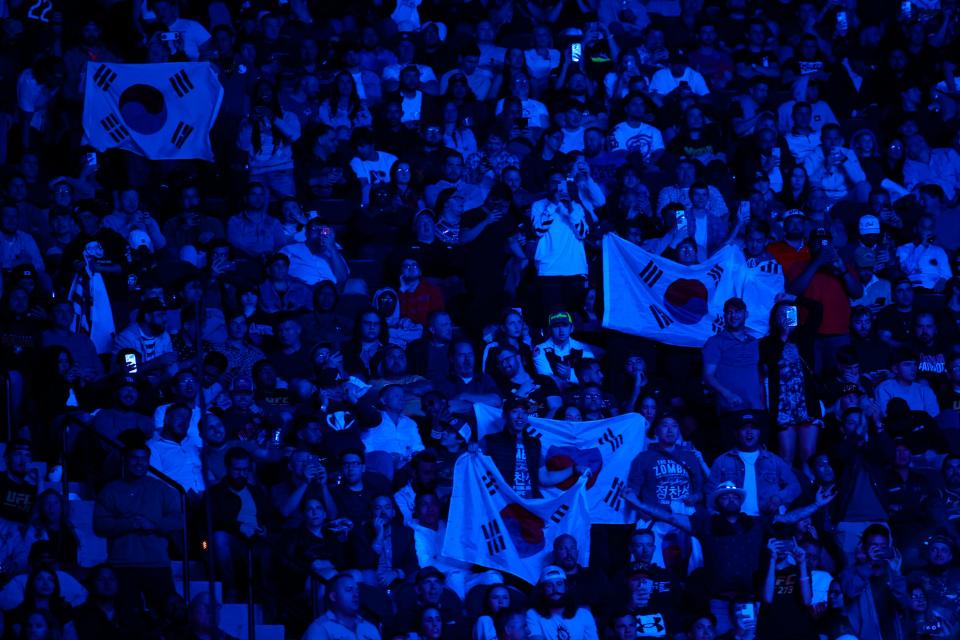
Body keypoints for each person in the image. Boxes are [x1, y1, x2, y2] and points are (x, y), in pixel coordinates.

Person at [93, 432, 181, 614]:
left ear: (149, 461)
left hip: (157, 564)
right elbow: (100, 525)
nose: (139, 463)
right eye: (134, 458)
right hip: (122, 565)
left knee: (166, 616)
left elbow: (179, 520)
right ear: (125, 460)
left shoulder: (162, 489)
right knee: (128, 619)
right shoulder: (111, 490)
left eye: (144, 459)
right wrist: (130, 523)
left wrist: (153, 524)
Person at [525, 566, 599, 640]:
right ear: (542, 590)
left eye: (559, 584)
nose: (555, 589)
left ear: (566, 587)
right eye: (549, 585)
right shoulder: (533, 614)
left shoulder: (584, 615)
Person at [301, 573, 381, 640]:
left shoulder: (369, 627)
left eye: (357, 590)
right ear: (333, 597)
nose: (356, 594)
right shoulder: (320, 628)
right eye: (349, 590)